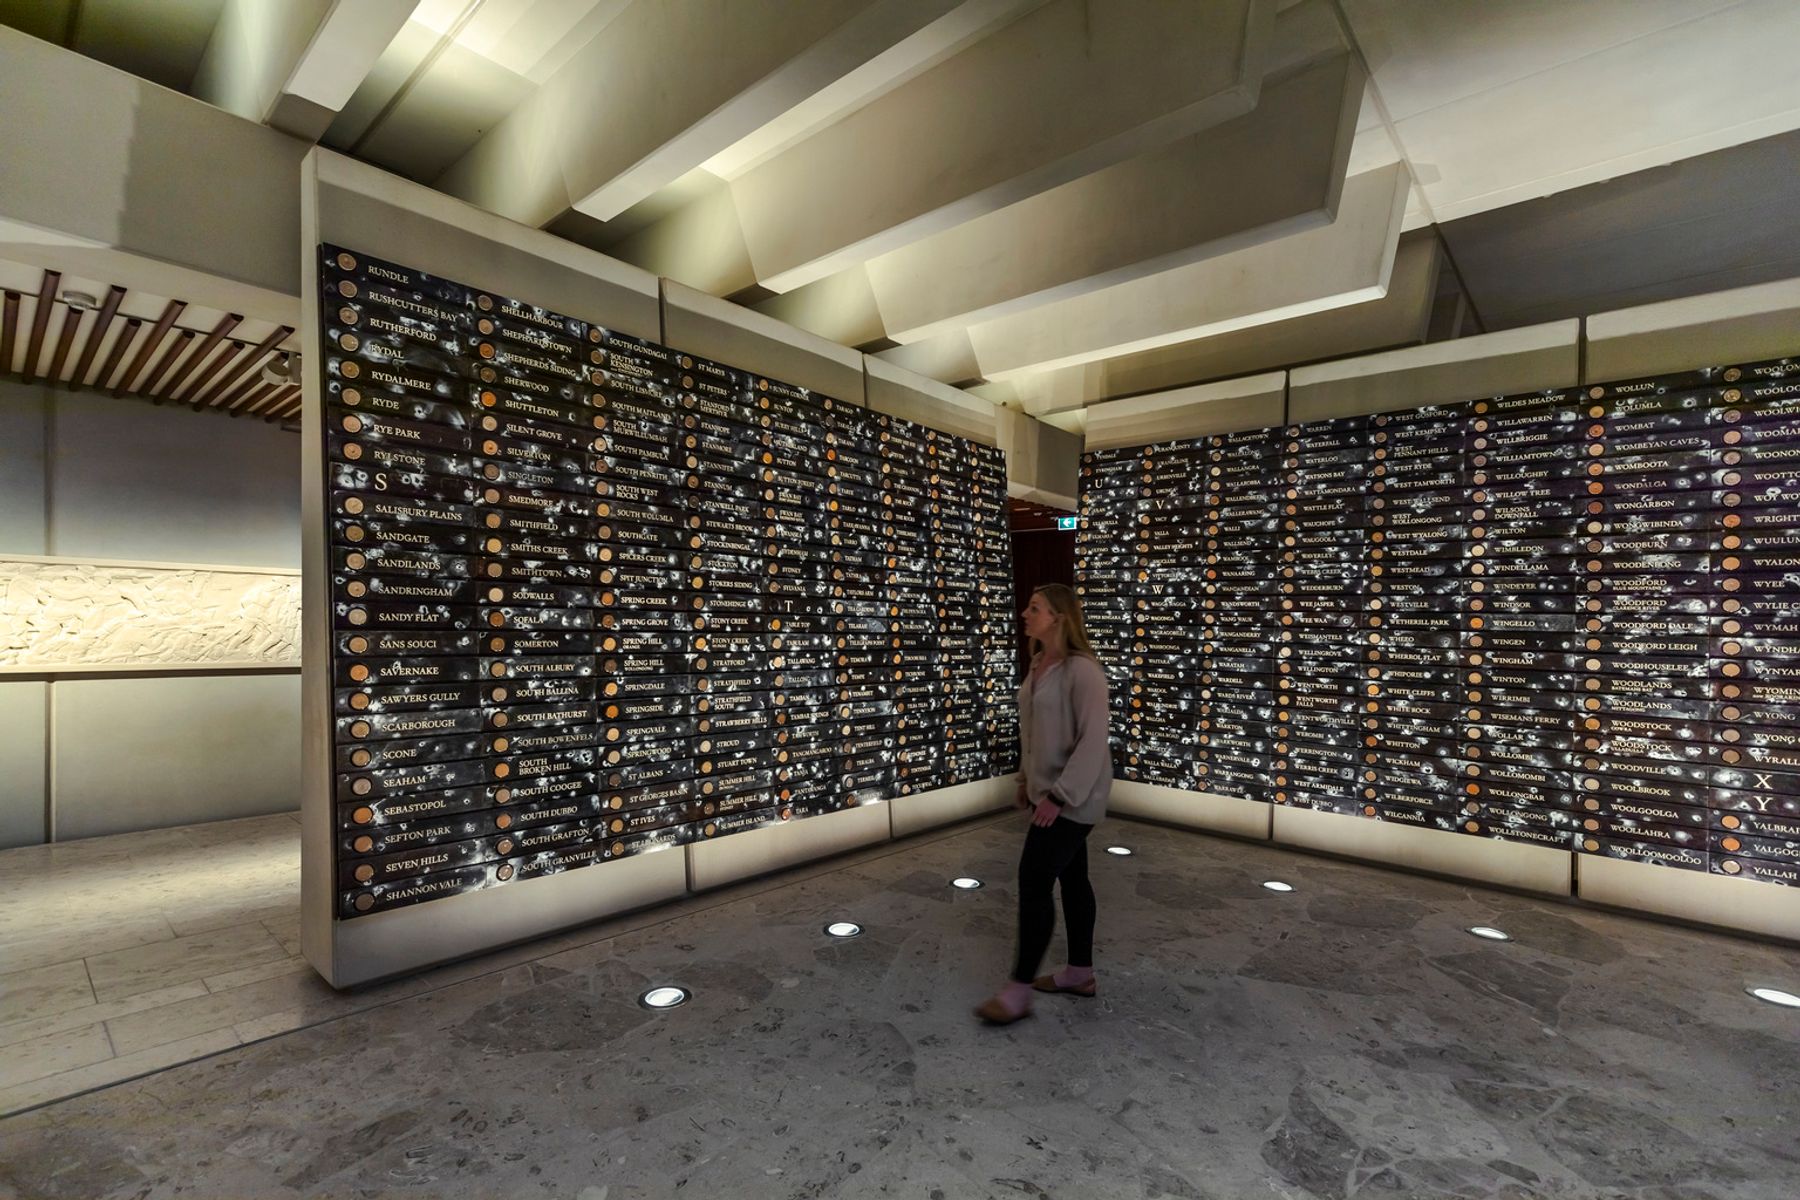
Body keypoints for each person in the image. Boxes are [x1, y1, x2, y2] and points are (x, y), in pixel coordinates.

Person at [975, 582, 1112, 1025]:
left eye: (1035, 608)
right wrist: (1024, 779)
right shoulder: (1038, 664)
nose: (1025, 614)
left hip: (1073, 798)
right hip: (1048, 792)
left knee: (1033, 883)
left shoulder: (1083, 671)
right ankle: (1079, 973)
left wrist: (1058, 796)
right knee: (1073, 879)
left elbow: (1093, 742)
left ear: (1059, 617)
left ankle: (1017, 992)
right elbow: (1033, 732)